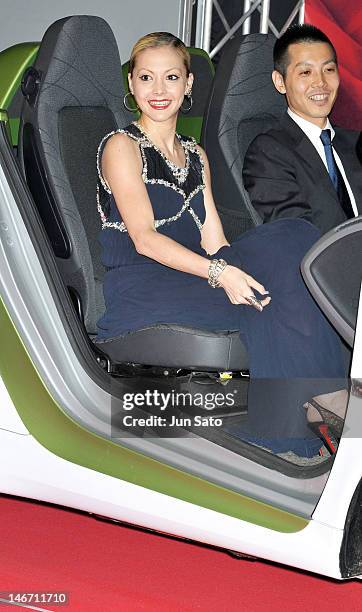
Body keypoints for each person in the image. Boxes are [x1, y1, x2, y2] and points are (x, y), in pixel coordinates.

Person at [96, 32, 346, 460]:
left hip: (195, 274)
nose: (159, 91)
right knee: (268, 287)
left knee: (294, 242)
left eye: (171, 77)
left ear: (188, 85)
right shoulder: (122, 146)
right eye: (147, 78)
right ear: (132, 85)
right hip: (144, 284)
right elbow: (145, 239)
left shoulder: (195, 154)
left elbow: (215, 239)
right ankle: (296, 425)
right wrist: (222, 274)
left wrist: (240, 270)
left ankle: (326, 405)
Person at [243, 24, 362, 235]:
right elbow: (296, 234)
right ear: (280, 82)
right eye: (306, 72)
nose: (321, 82)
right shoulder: (268, 152)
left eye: (329, 70)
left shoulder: (355, 144)